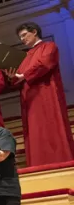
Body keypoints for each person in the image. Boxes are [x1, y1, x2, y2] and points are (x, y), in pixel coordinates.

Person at [8, 22, 74, 165]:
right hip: (30, 99)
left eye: (24, 35)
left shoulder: (49, 46)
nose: (22, 39)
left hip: (46, 93)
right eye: (20, 37)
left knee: (50, 126)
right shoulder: (24, 56)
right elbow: (17, 77)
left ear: (34, 32)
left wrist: (24, 75)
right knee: (35, 132)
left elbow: (45, 63)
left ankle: (61, 162)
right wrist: (12, 75)